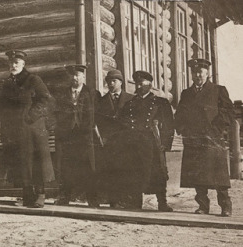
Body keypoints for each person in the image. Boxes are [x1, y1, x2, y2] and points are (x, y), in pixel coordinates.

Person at [175, 58, 235, 217]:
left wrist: (217, 129)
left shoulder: (218, 90)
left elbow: (228, 112)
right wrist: (182, 128)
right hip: (193, 138)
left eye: (200, 72)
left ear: (207, 73)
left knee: (219, 176)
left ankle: (225, 206)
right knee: (197, 174)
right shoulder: (186, 93)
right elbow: (180, 112)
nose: (197, 75)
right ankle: (202, 205)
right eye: (194, 72)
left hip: (212, 138)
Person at [0, 50, 55, 208]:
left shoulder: (33, 80)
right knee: (22, 161)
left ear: (23, 64)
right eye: (11, 63)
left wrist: (30, 116)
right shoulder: (8, 83)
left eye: (16, 63)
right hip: (16, 129)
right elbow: (1, 105)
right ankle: (27, 193)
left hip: (33, 128)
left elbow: (45, 100)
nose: (13, 66)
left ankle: (40, 194)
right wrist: (6, 120)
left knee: (37, 161)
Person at [117, 71, 174, 211]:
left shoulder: (160, 102)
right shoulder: (130, 104)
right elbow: (122, 123)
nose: (139, 86)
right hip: (133, 144)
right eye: (137, 83)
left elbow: (168, 125)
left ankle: (162, 202)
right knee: (134, 172)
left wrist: (166, 144)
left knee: (158, 173)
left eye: (142, 83)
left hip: (153, 143)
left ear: (150, 85)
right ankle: (135, 202)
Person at [53, 65, 98, 207]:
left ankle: (93, 199)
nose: (75, 78)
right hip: (68, 136)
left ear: (83, 77)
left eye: (78, 75)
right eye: (72, 76)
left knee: (89, 167)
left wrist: (89, 128)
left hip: (85, 135)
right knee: (67, 167)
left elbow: (96, 114)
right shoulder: (63, 93)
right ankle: (64, 197)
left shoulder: (91, 93)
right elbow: (57, 113)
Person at [94, 69, 134, 208]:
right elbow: (99, 121)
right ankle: (114, 201)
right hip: (110, 142)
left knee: (128, 171)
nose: (111, 84)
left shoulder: (130, 99)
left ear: (121, 82)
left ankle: (130, 201)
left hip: (127, 142)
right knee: (112, 171)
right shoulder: (102, 101)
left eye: (114, 81)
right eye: (109, 81)